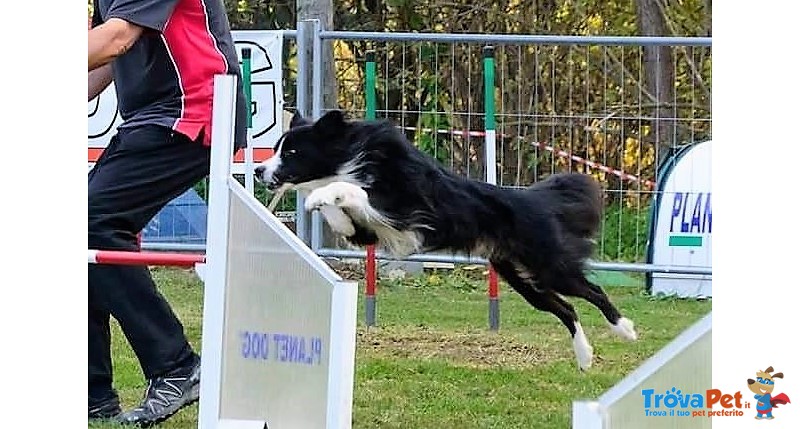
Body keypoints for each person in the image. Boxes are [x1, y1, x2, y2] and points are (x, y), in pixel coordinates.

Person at [88, 0, 247, 425]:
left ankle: (176, 366)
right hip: (151, 117)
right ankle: (92, 395)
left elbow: (115, 40)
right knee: (80, 230)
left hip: (195, 110)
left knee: (90, 220)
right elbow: (103, 64)